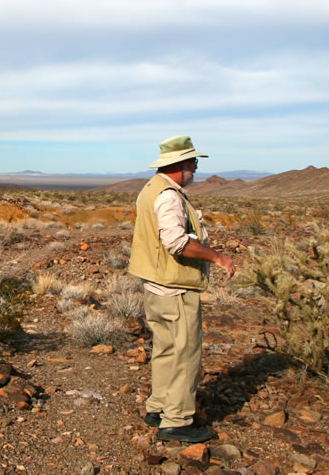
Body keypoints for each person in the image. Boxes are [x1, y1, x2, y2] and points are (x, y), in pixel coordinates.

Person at [128, 135, 236, 443]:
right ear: (179, 165)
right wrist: (218, 257)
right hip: (175, 289)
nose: (195, 168)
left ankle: (158, 407)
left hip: (156, 286)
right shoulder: (169, 196)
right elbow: (175, 242)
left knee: (165, 349)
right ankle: (177, 421)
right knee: (186, 353)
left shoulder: (150, 189)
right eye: (193, 162)